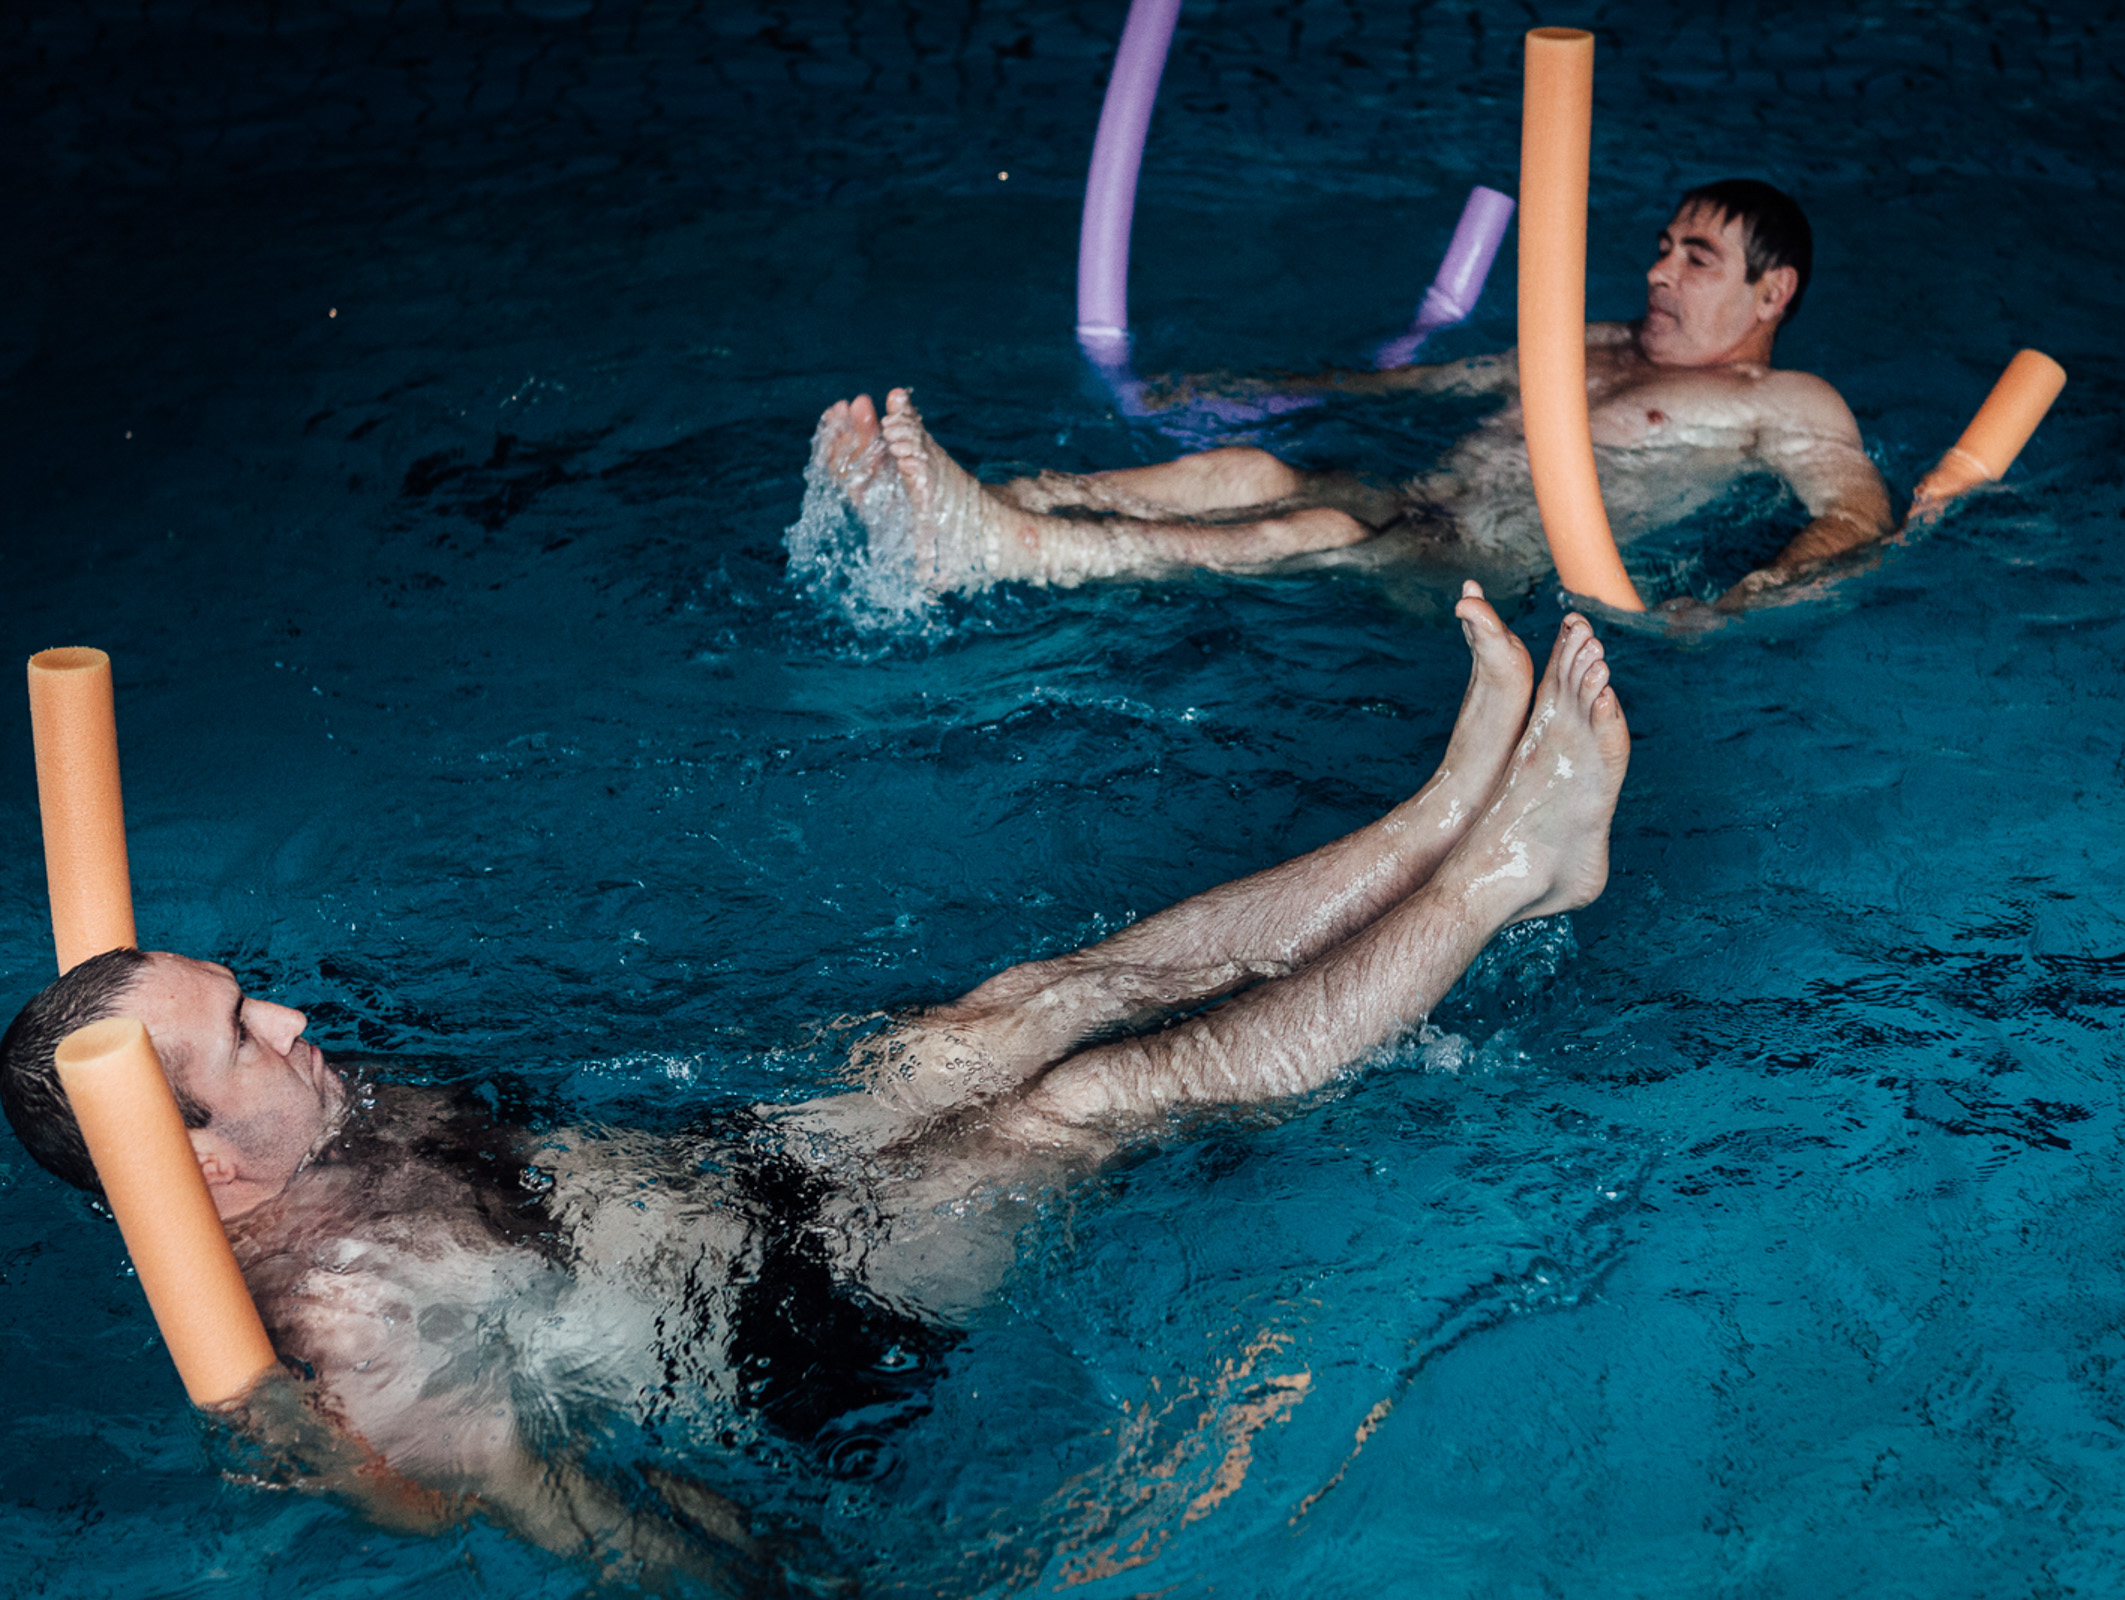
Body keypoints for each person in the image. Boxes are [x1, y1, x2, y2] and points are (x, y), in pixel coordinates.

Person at [2, 588, 1629, 1588]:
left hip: (740, 1176)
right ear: (203, 1169)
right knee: (1084, 1099)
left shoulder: (306, 1129)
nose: (288, 1013)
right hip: (800, 1323)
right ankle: (1502, 870)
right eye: (241, 1039)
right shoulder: (356, 1327)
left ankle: (1432, 823)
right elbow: (585, 1524)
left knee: (1030, 1000)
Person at [814, 179, 1892, 619]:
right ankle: (960, 501)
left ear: (1771, 289)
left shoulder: (1788, 398)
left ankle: (1006, 549)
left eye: (1695, 259)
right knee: (1245, 473)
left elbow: (1851, 516)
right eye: (1660, 249)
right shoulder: (1599, 343)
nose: (1657, 271)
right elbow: (1429, 382)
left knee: (1319, 521)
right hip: (1421, 500)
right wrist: (1274, 389)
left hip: (1486, 560)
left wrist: (1741, 601)